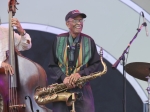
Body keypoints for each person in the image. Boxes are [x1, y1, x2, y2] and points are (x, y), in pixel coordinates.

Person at [49, 10, 101, 112]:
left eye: (81, 20)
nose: (79, 23)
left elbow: (96, 64)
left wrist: (80, 74)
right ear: (67, 24)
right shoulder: (58, 40)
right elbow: (52, 65)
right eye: (75, 20)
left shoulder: (89, 41)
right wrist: (64, 78)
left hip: (83, 88)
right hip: (61, 88)